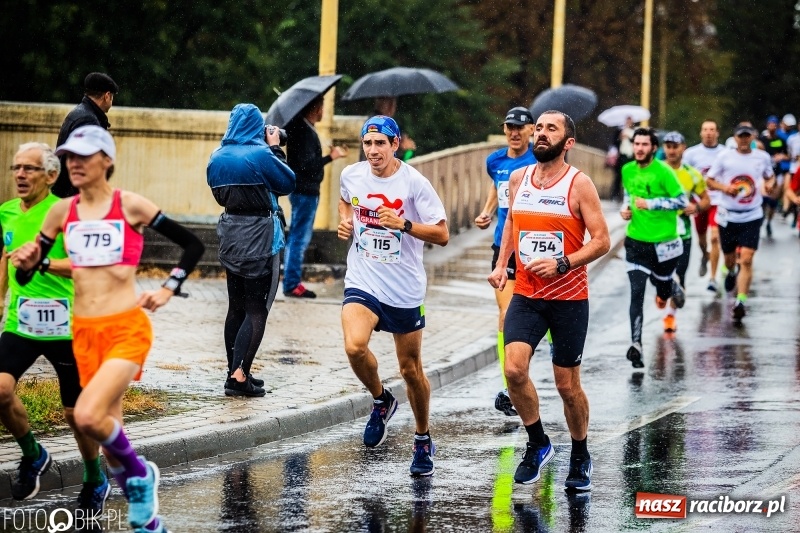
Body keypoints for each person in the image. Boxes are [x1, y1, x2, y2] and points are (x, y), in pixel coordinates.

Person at [12, 125, 205, 533]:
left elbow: (193, 244)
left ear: (107, 160)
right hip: (84, 334)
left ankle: (142, 476)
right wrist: (29, 263)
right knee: (110, 441)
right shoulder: (61, 212)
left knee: (86, 415)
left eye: (84, 156)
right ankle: (150, 523)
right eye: (69, 157)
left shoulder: (129, 205)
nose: (74, 164)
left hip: (125, 329)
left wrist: (168, 287)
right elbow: (29, 274)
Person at [487, 110, 610, 491]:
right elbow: (512, 221)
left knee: (567, 386)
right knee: (514, 369)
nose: (541, 133)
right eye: (538, 127)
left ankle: (580, 453)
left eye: (550, 129)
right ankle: (538, 442)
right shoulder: (519, 178)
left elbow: (602, 241)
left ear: (568, 142)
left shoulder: (579, 184)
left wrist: (563, 263)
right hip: (526, 293)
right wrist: (502, 263)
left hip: (568, 299)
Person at [0, 143, 109, 513]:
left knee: (75, 415)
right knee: (0, 390)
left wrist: (43, 263)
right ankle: (33, 455)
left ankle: (94, 478)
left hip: (67, 326)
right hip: (21, 323)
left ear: (50, 175)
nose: (20, 175)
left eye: (29, 169)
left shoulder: (66, 213)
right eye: (16, 167)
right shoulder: (6, 212)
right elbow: (5, 257)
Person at [337, 115, 448, 476]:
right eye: (367, 144)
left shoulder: (414, 183)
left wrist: (405, 224)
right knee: (354, 346)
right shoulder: (351, 175)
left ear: (395, 144)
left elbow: (442, 234)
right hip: (363, 277)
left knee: (410, 370)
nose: (373, 151)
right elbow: (345, 201)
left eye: (380, 144)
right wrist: (346, 221)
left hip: (404, 288)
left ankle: (422, 438)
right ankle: (381, 400)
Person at [207, 104, 296, 396]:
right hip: (260, 237)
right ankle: (239, 376)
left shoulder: (217, 156)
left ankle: (234, 369)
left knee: (236, 306)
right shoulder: (261, 155)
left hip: (231, 234)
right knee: (257, 309)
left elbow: (219, 194)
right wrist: (275, 149)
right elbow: (287, 182)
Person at [474, 106, 536, 417]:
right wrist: (487, 211)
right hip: (504, 247)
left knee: (537, 312)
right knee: (506, 314)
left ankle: (536, 356)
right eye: (509, 127)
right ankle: (509, 386)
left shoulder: (539, 160)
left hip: (535, 248)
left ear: (531, 130)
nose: (514, 132)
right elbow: (498, 188)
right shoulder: (495, 161)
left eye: (520, 128)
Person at [620, 128, 688, 368]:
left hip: (664, 244)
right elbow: (628, 195)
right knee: (636, 292)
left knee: (662, 292)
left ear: (653, 148)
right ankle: (636, 344)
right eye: (636, 144)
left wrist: (652, 203)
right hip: (636, 242)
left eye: (644, 144)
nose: (639, 148)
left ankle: (672, 286)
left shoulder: (664, 171)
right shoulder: (627, 170)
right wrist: (626, 210)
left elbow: (682, 201)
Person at [706, 124, 775, 322]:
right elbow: (709, 181)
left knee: (746, 259)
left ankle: (741, 302)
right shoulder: (724, 157)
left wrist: (770, 185)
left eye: (747, 136)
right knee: (729, 259)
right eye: (740, 136)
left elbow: (770, 178)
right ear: (735, 138)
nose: (744, 140)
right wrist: (725, 188)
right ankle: (730, 272)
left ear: (752, 137)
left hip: (752, 215)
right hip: (728, 216)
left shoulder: (762, 157)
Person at [282, 96, 348, 299]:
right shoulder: (303, 131)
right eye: (322, 108)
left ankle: (292, 281)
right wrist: (330, 157)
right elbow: (307, 166)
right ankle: (292, 283)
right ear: (316, 108)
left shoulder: (304, 129)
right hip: (304, 191)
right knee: (299, 238)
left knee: (298, 236)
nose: (323, 112)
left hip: (304, 190)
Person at [661, 132, 710, 334]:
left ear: (683, 148)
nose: (672, 150)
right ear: (664, 148)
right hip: (657, 230)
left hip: (682, 230)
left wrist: (696, 207)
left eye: (676, 146)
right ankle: (662, 293)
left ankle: (670, 316)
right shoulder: (656, 170)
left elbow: (706, 199)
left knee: (679, 274)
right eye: (668, 146)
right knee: (659, 274)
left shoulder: (692, 173)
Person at [54, 72, 119, 198]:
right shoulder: (88, 120)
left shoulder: (79, 112)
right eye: (112, 97)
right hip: (73, 196)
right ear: (107, 96)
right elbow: (84, 163)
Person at [683, 120, 726, 290]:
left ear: (717, 133)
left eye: (712, 130)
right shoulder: (691, 154)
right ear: (701, 133)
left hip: (718, 201)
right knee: (701, 238)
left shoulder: (725, 153)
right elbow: (683, 177)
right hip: (699, 201)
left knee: (715, 237)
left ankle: (713, 279)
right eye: (705, 129)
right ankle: (705, 255)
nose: (709, 133)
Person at [758, 116, 789, 238]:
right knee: (763, 199)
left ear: (777, 126)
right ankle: (761, 218)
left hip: (777, 173)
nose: (772, 127)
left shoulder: (780, 140)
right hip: (764, 175)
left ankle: (769, 222)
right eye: (770, 124)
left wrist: (781, 157)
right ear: (767, 125)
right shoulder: (761, 140)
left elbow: (788, 155)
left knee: (773, 201)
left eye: (774, 125)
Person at [610, 116, 635, 202]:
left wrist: (629, 138)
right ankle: (616, 195)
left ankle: (628, 194)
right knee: (619, 176)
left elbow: (635, 142)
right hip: (622, 156)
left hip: (630, 156)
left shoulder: (634, 132)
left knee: (629, 176)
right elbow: (615, 142)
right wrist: (620, 138)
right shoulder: (620, 131)